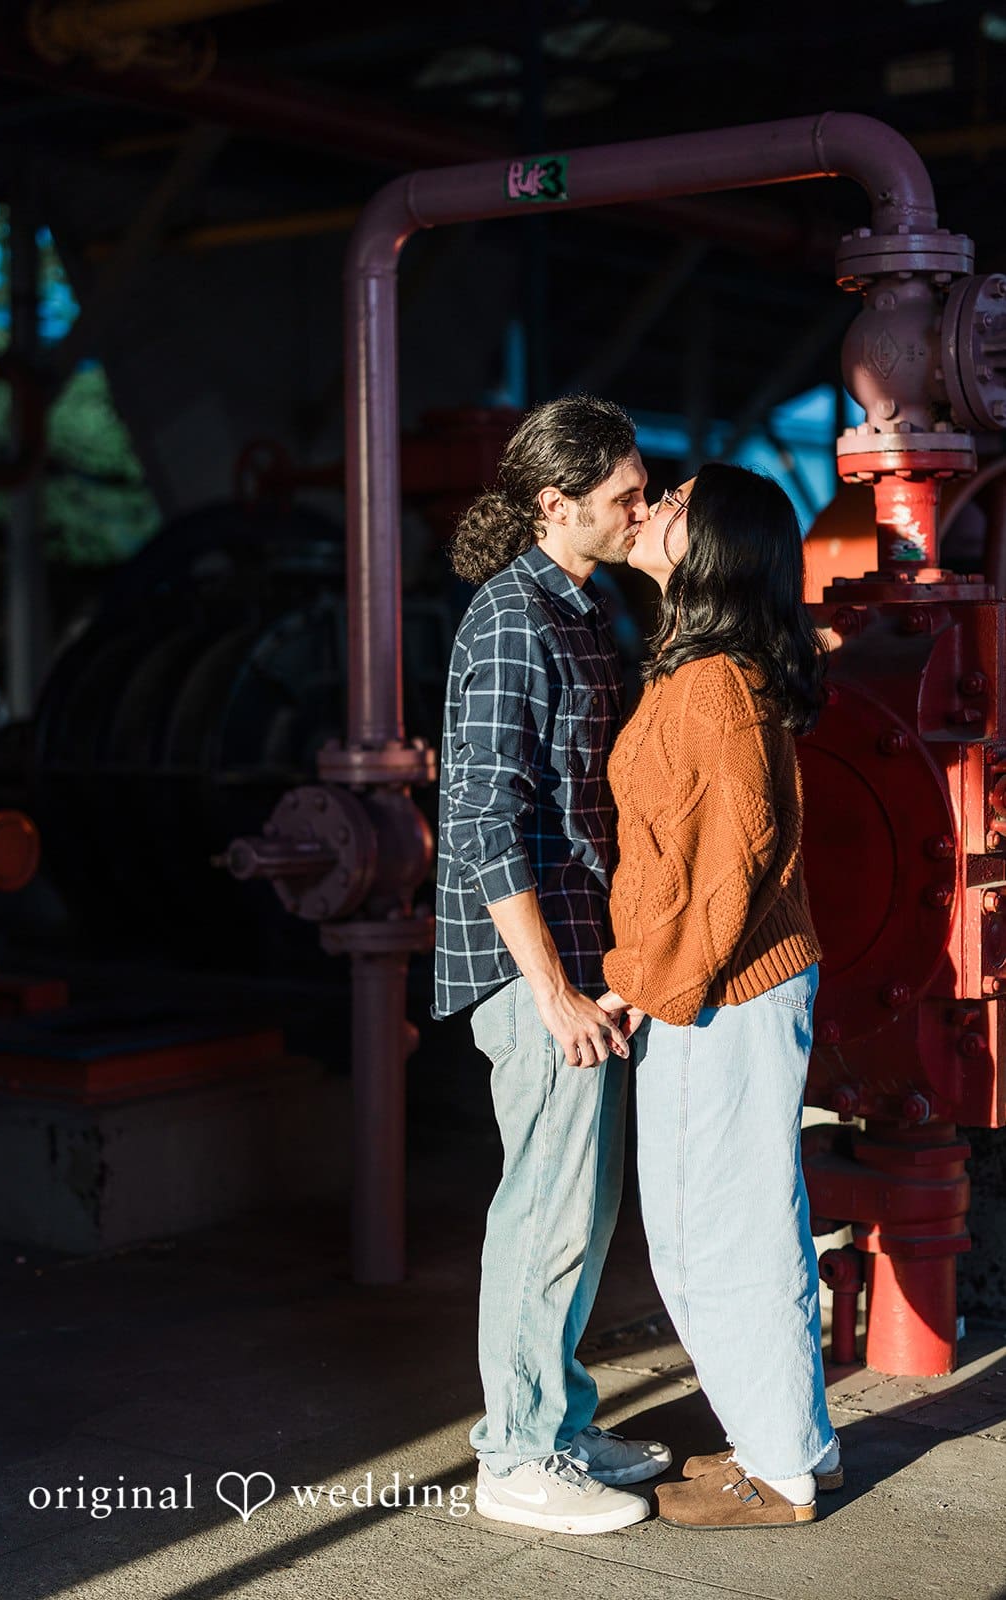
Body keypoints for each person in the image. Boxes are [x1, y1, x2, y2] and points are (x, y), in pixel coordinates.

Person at [433, 395, 671, 1536]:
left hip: (583, 955)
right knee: (545, 1208)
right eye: (624, 495)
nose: (642, 506)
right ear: (554, 503)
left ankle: (561, 1420)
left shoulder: (580, 611)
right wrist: (551, 988)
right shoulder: (506, 619)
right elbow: (483, 817)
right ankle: (515, 1451)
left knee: (583, 1201)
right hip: (538, 970)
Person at [597, 461, 841, 1530]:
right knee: (733, 1219)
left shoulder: (708, 683)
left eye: (673, 503)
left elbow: (723, 863)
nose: (647, 509)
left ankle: (780, 1470)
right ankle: (783, 1444)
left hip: (719, 991)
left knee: (714, 1231)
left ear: (716, 548)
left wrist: (645, 987)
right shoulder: (704, 666)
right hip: (728, 985)